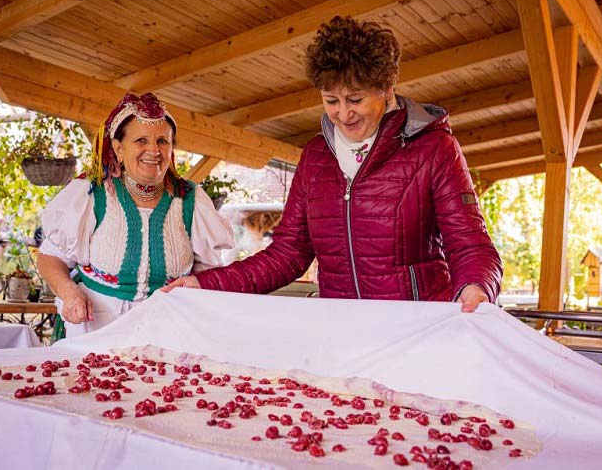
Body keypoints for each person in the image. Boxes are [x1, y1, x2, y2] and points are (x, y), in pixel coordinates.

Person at [166, 16, 502, 312]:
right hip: (342, 329)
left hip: (414, 329)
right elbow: (288, 253)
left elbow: (470, 244)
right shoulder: (315, 157)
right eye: (331, 101)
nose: (343, 113)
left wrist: (476, 288)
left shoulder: (433, 149)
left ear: (386, 88)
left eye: (355, 99)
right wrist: (205, 284)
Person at [37, 92, 235, 336]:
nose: (153, 150)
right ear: (119, 149)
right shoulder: (92, 193)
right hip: (96, 329)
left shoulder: (190, 199)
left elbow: (208, 274)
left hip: (167, 332)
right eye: (141, 140)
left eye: (163, 141)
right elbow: (50, 257)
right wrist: (69, 292)